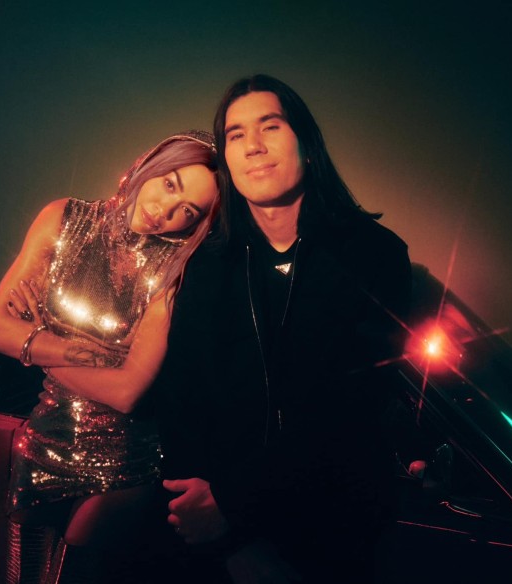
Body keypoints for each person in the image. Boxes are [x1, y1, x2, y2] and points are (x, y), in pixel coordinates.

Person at [148, 75, 412, 583]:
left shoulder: (376, 255)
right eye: (236, 134)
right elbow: (182, 398)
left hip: (333, 528)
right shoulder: (207, 264)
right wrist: (224, 539)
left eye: (270, 126)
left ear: (307, 145)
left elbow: (353, 408)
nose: (253, 146)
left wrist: (237, 508)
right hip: (215, 538)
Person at [0, 130, 219, 584]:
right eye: (169, 184)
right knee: (22, 575)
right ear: (151, 163)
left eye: (188, 210)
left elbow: (128, 392)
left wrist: (38, 342)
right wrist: (93, 355)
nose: (165, 211)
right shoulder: (62, 218)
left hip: (124, 460)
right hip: (41, 439)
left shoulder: (176, 271)